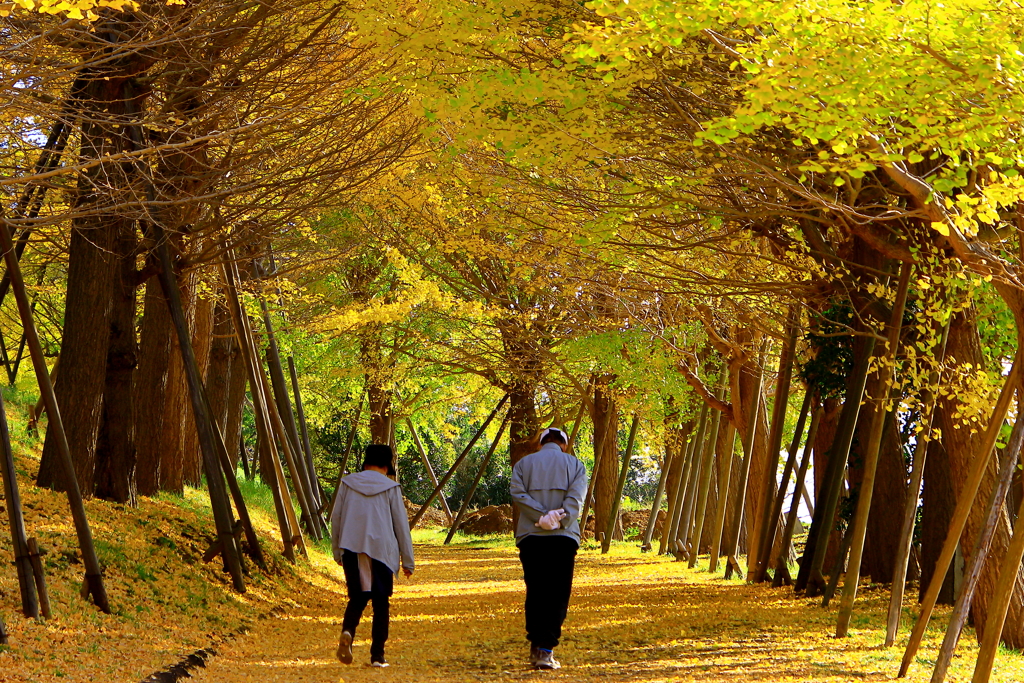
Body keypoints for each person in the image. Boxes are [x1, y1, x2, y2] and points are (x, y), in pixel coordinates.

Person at [510, 426, 588, 670]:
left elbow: (518, 494)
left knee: (536, 589)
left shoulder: (523, 465)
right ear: (564, 445)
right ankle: (546, 649)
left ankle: (535, 643)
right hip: (563, 538)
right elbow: (576, 499)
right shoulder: (576, 465)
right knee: (557, 592)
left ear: (540, 444)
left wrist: (542, 516)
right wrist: (559, 519)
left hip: (531, 536)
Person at [330, 444, 414, 668]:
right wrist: (408, 560)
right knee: (381, 602)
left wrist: (337, 549)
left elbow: (336, 518)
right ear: (387, 466)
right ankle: (377, 656)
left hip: (351, 546)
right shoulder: (391, 487)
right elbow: (400, 526)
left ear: (365, 463)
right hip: (382, 550)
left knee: (357, 597)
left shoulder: (347, 484)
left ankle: (348, 631)